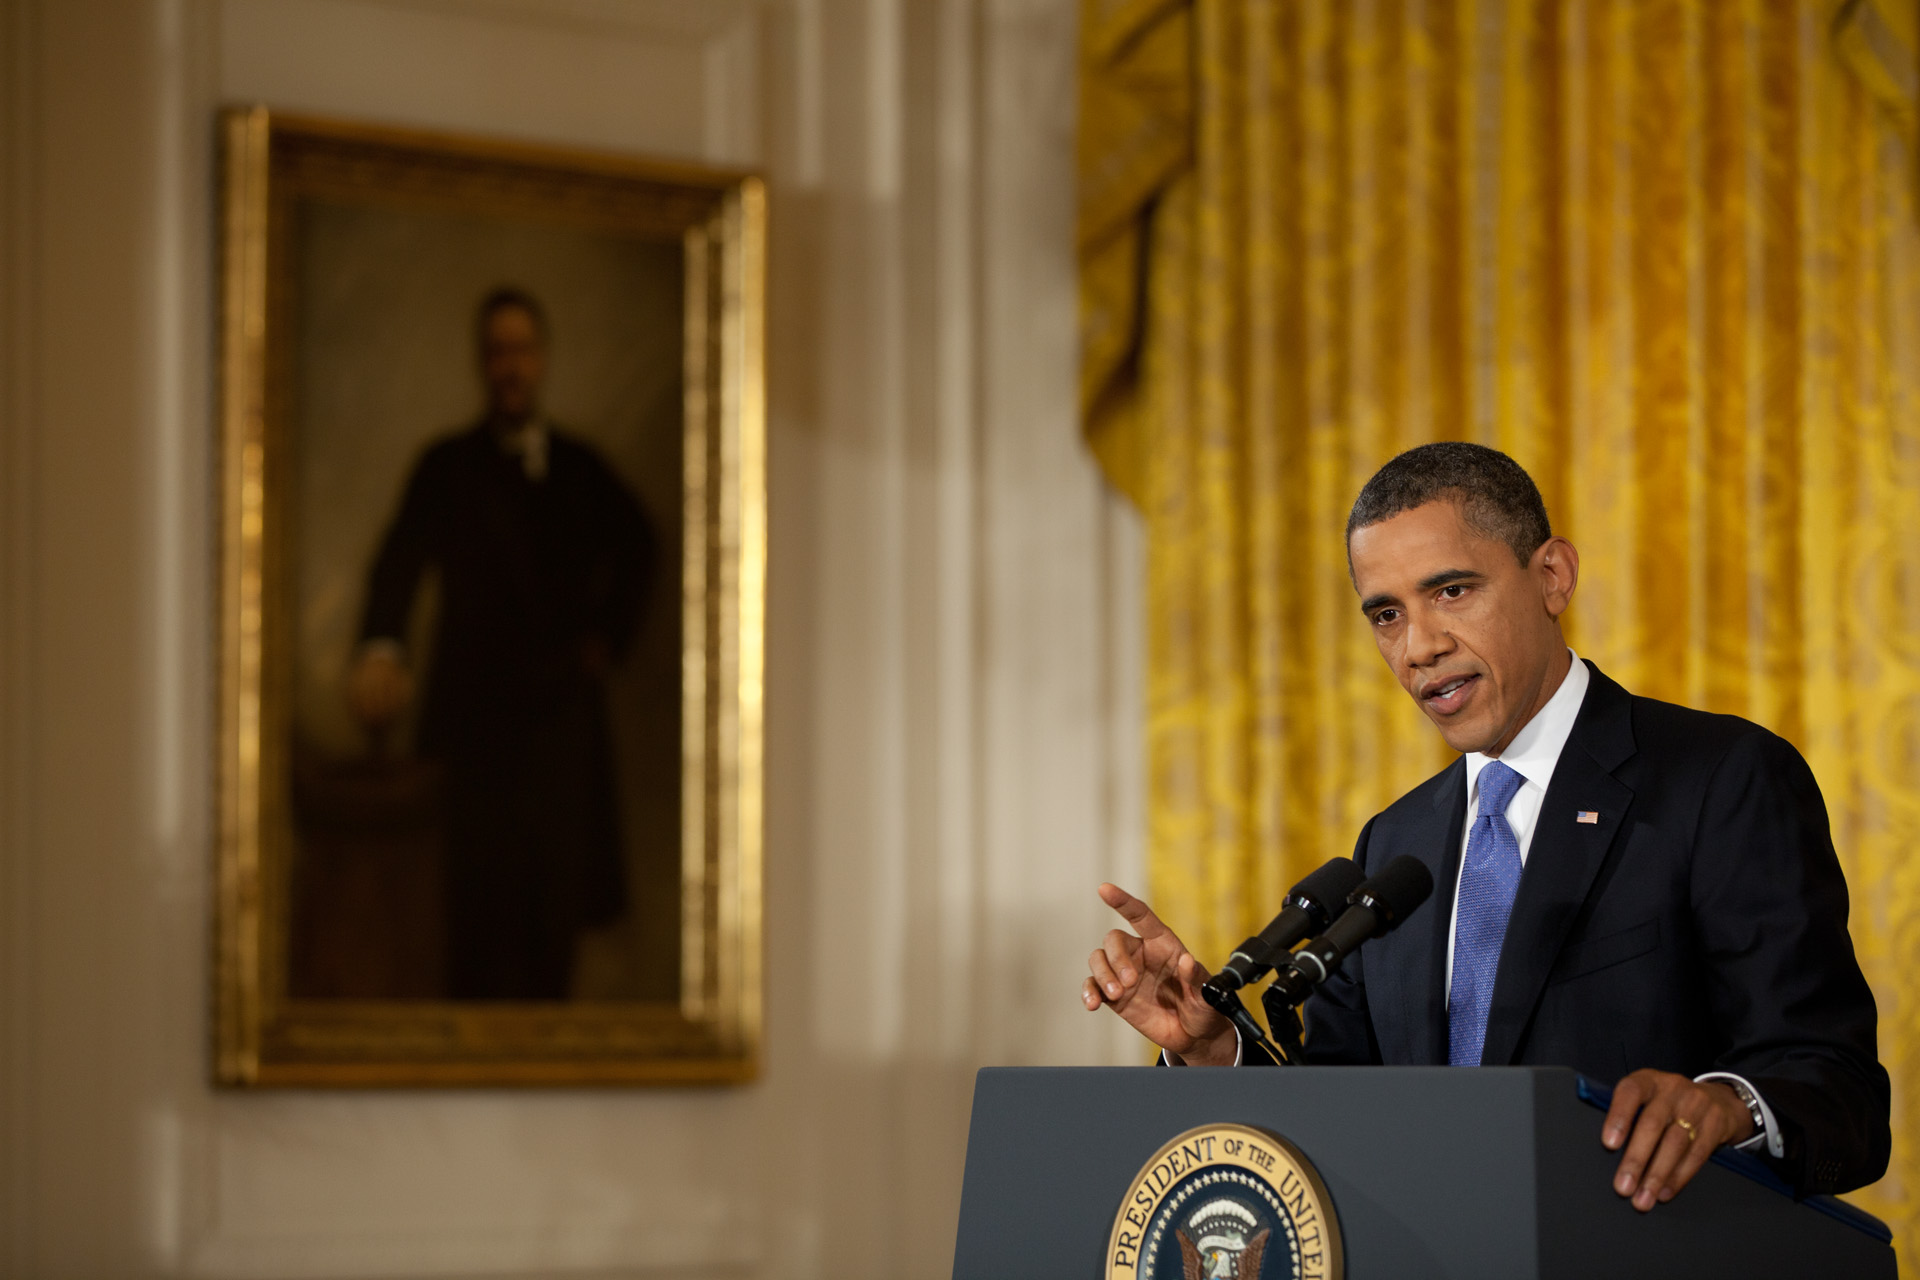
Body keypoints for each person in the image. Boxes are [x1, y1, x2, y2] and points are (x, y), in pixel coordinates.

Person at [1083, 443, 1889, 1208]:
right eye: (1386, 614)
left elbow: (1836, 1084)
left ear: (1552, 576)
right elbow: (1337, 1117)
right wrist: (1214, 1050)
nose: (1420, 647)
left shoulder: (1717, 780)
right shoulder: (1393, 847)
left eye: (1452, 591)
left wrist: (1721, 1108)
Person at [345, 286, 654, 1000]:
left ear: (541, 360)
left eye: (521, 350)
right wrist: (381, 648)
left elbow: (642, 545)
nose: (510, 367)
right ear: (482, 363)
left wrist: (608, 636)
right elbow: (398, 561)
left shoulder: (580, 468)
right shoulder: (446, 466)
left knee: (552, 930)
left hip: (559, 734)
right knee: (472, 928)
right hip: (473, 730)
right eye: (497, 352)